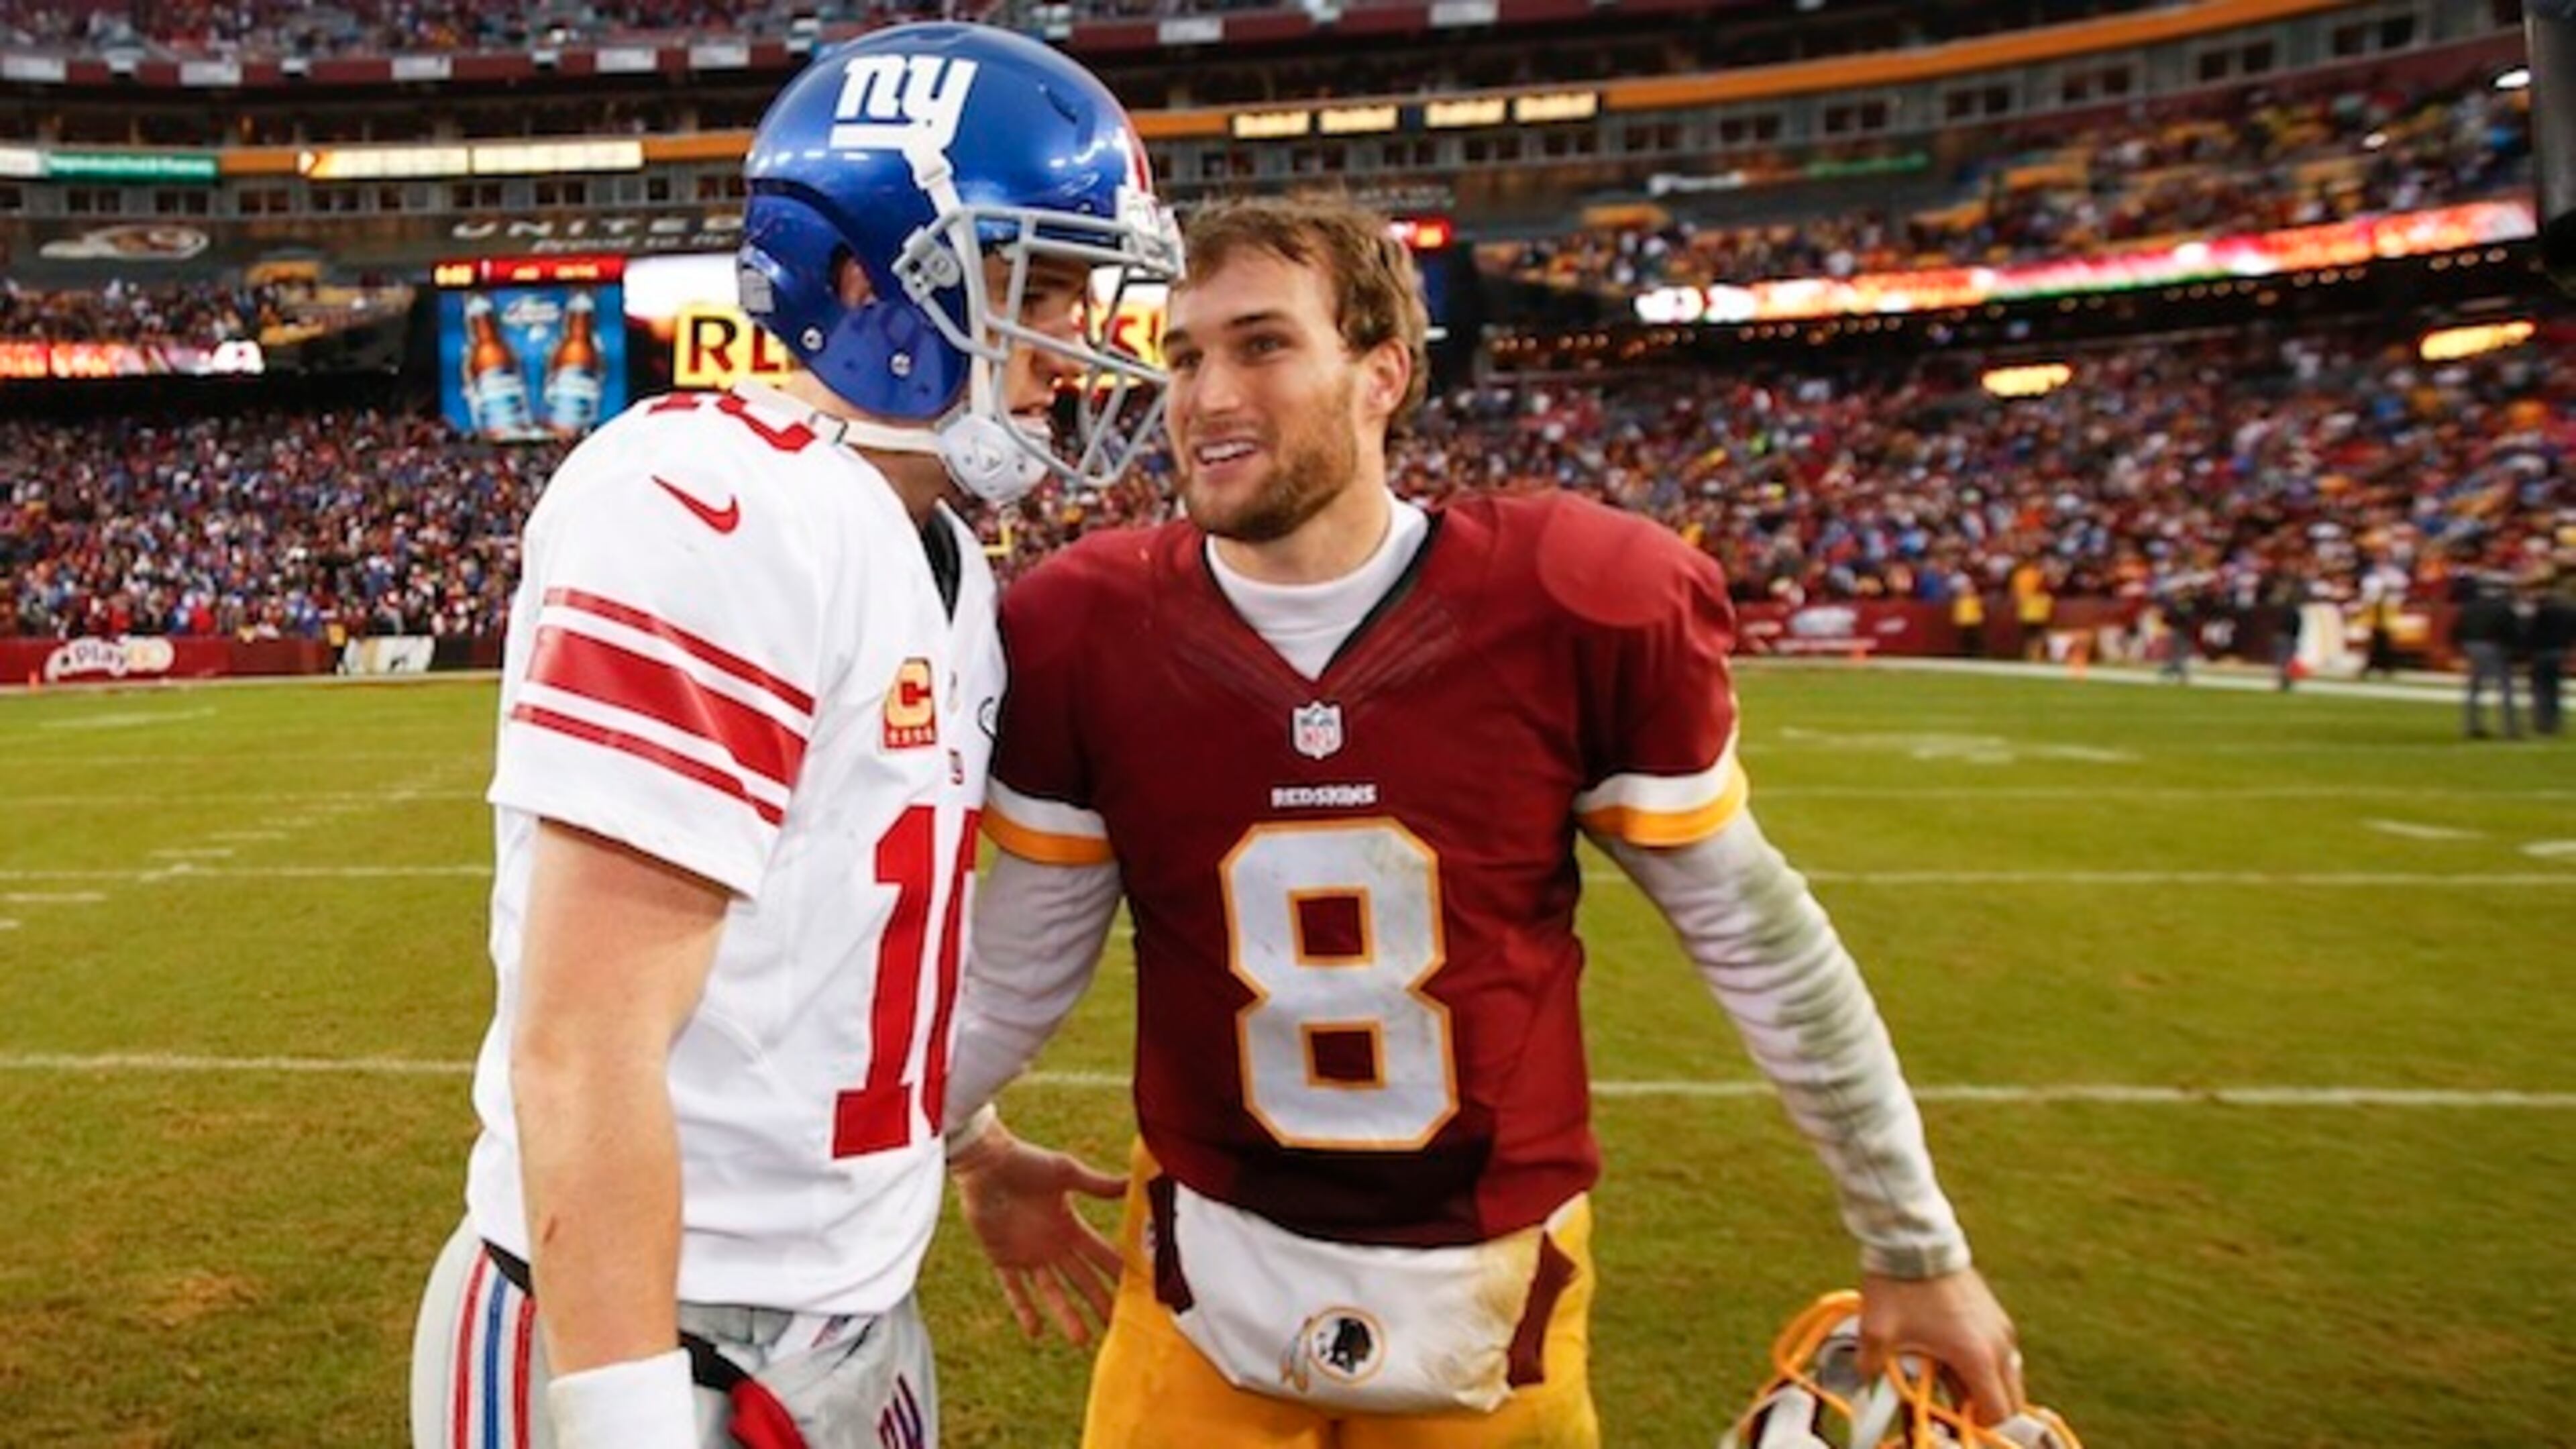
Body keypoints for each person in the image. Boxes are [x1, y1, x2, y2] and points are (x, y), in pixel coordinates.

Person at [940, 195, 2027, 1448]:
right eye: (1185, 355)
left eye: (1262, 344)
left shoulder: (1571, 600)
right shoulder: (1087, 627)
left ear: (1382, 373)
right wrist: (964, 1145)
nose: (1206, 393)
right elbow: (1010, 977)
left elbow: (1763, 948)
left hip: (1495, 1289)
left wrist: (1915, 1245)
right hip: (1198, 1271)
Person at [407, 23, 1179, 1449]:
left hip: (848, 1309)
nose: (1075, 348)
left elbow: (824, 953)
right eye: (1045, 287)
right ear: (865, 274)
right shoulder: (707, 498)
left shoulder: (937, 552)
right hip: (652, 1325)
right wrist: (625, 1420)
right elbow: (585, 1040)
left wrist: (965, 1141)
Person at [2455, 575, 2523, 739]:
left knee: (2474, 687)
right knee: (2505, 687)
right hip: (2493, 646)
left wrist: (2461, 646)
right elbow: (2510, 631)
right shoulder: (2503, 607)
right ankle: (2509, 728)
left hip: (2471, 645)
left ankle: (2472, 726)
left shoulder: (2471, 605)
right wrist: (2517, 652)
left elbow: (2458, 627)